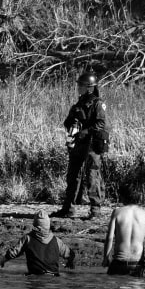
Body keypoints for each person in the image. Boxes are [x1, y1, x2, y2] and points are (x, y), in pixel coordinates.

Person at [57, 73, 108, 218]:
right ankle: (69, 208)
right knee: (73, 175)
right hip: (78, 143)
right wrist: (72, 123)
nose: (78, 87)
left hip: (93, 143)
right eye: (78, 85)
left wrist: (84, 131)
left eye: (81, 85)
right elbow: (67, 122)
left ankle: (95, 210)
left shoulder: (98, 104)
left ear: (89, 88)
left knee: (92, 175)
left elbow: (100, 124)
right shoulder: (78, 104)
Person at [0, 212, 75, 275]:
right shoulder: (57, 241)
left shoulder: (28, 238)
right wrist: (70, 262)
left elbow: (13, 253)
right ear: (48, 225)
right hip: (53, 277)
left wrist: (2, 261)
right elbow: (70, 254)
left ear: (35, 224)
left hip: (34, 276)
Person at [102, 202, 145, 277]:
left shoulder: (117, 212)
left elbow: (110, 237)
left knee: (112, 285)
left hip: (119, 261)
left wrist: (106, 258)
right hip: (137, 263)